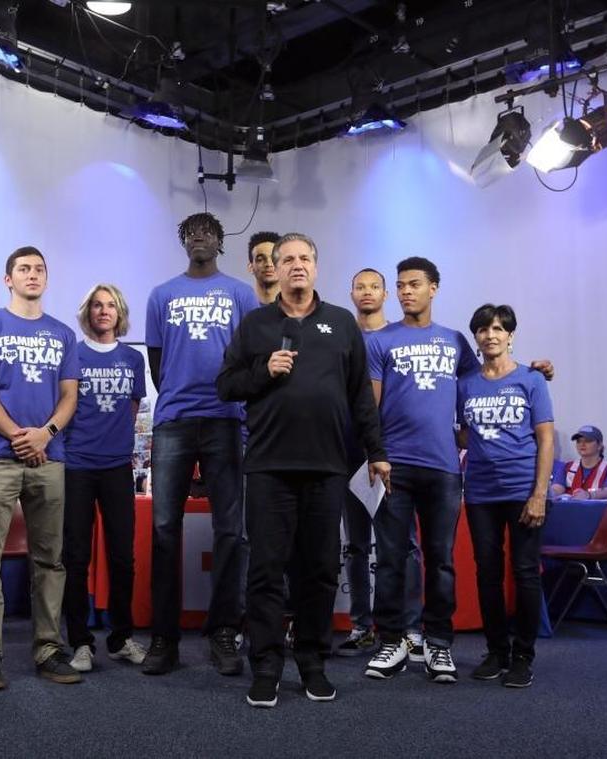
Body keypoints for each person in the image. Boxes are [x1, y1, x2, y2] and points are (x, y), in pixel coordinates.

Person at [217, 233, 389, 707]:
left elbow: (361, 397)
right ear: (274, 267)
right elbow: (226, 385)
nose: (295, 265)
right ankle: (267, 666)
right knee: (267, 572)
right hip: (269, 467)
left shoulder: (341, 324)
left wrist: (376, 451)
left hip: (327, 467)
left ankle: (312, 662)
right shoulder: (255, 325)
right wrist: (262, 371)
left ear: (316, 266)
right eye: (286, 258)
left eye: (304, 258)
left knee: (318, 572)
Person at [364, 257, 553, 685]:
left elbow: (490, 380)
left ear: (434, 288)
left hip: (445, 470)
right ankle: (391, 640)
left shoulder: (454, 343)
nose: (406, 291)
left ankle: (439, 645)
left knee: (441, 561)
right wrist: (373, 453)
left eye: (415, 284)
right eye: (400, 285)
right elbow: (369, 407)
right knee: (392, 559)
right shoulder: (380, 341)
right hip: (395, 465)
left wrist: (536, 371)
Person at [142, 212, 260, 676]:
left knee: (231, 531)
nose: (199, 238)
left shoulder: (240, 293)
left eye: (208, 232)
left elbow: (251, 358)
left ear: (220, 242)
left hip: (226, 420)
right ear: (182, 241)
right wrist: (179, 394)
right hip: (173, 421)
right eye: (191, 232)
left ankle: (224, 632)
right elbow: (157, 364)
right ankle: (163, 639)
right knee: (165, 529)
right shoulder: (161, 294)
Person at [0, 246, 81, 689]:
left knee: (51, 561)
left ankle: (49, 650)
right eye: (23, 269)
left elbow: (69, 395)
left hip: (49, 460)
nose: (32, 275)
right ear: (7, 279)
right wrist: (20, 435)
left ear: (46, 279)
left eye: (39, 269)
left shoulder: (63, 334)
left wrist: (44, 434)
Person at [457, 303, 554, 689]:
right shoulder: (465, 382)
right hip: (481, 492)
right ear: (476, 338)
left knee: (526, 573)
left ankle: (523, 656)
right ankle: (496, 651)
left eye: (498, 328)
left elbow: (546, 437)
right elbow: (463, 433)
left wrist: (539, 494)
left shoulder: (532, 379)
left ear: (510, 335)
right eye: (483, 329)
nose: (490, 335)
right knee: (488, 573)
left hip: (522, 490)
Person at [61, 283, 148, 672]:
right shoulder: (72, 353)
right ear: (87, 312)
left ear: (120, 312)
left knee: (122, 558)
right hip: (76, 465)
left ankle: (121, 637)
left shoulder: (132, 358)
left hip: (116, 467)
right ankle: (80, 641)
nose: (103, 311)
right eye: (96, 305)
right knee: (76, 558)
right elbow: (63, 405)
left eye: (110, 305)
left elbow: (131, 408)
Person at [336, 268, 422, 659]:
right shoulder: (341, 335)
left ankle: (410, 627)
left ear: (386, 294)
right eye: (360, 286)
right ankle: (361, 626)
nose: (367, 292)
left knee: (402, 545)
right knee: (354, 545)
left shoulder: (398, 337)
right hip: (348, 453)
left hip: (391, 454)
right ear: (351, 293)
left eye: (374, 286)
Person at [549, 425, 607, 500]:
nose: (582, 444)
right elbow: (557, 490)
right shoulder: (567, 467)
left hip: (599, 512)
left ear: (599, 445)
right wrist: (547, 493)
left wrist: (589, 495)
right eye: (579, 441)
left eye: (588, 441)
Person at [246, 231, 280, 305]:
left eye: (274, 258)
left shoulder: (297, 309)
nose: (268, 264)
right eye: (260, 259)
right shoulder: (242, 308)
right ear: (250, 267)